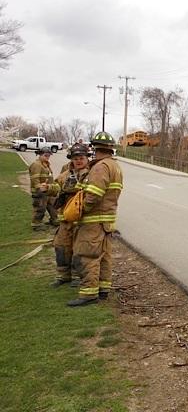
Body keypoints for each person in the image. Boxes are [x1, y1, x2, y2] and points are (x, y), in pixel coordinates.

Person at [68, 132, 123, 307]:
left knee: (88, 255)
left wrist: (80, 210)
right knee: (104, 256)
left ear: (95, 148)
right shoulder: (115, 166)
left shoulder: (100, 167)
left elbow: (94, 195)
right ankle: (103, 290)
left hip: (93, 221)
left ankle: (89, 293)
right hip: (106, 221)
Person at [51, 143, 90, 287]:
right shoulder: (66, 174)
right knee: (61, 247)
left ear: (87, 158)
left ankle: (77, 277)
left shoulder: (91, 174)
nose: (78, 161)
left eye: (81, 157)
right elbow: (56, 186)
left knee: (79, 250)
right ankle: (63, 276)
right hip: (66, 220)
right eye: (75, 158)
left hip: (82, 220)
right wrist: (48, 188)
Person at [29, 147, 60, 231]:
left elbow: (49, 177)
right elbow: (35, 178)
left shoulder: (46, 164)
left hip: (48, 190)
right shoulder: (36, 164)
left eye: (49, 155)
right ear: (40, 155)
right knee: (40, 208)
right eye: (45, 155)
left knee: (52, 206)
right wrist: (39, 188)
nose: (47, 157)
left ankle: (55, 220)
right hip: (40, 191)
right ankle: (36, 224)